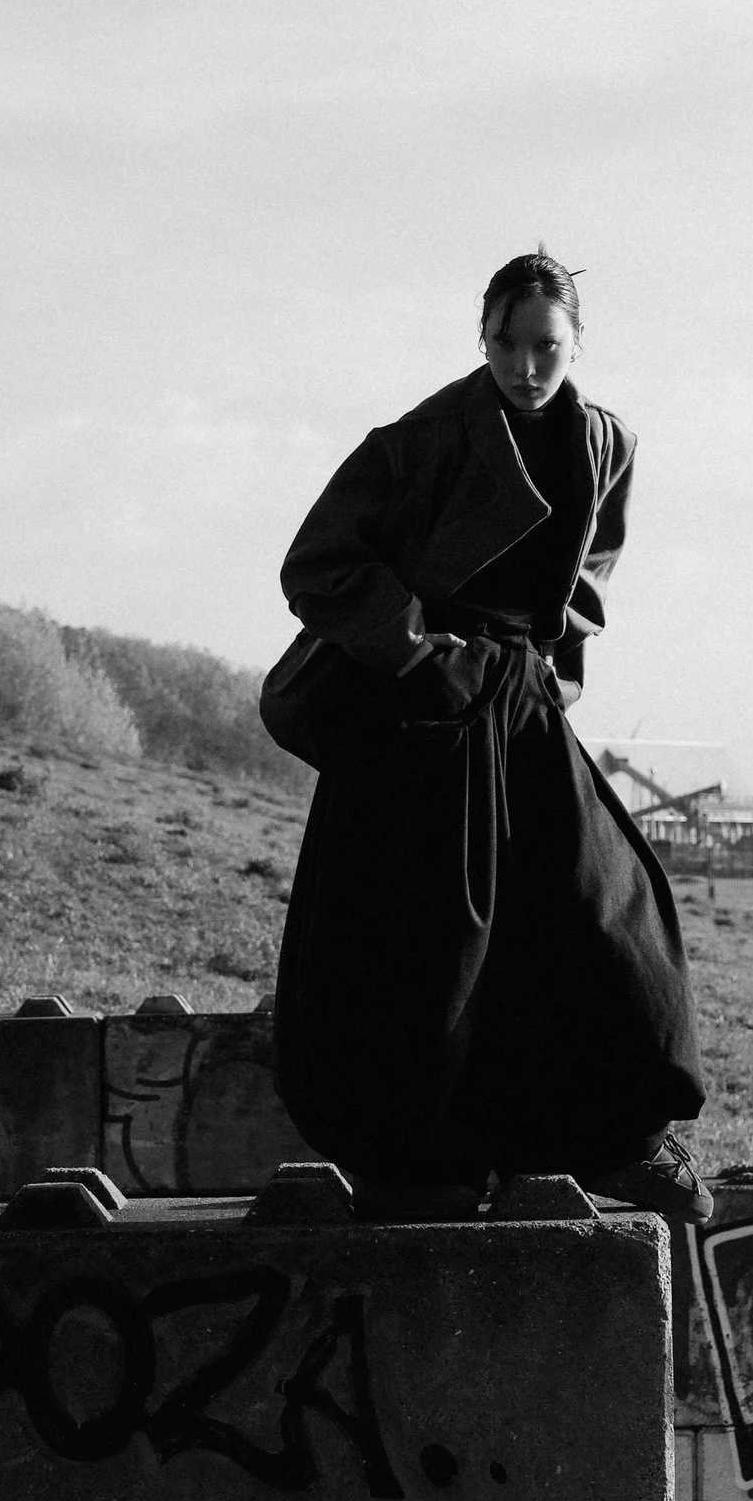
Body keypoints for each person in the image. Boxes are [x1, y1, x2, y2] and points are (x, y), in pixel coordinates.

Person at [266, 251, 711, 1223]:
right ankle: (416, 1167)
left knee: (606, 909)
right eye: (507, 343)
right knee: (419, 947)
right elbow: (318, 563)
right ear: (483, 338)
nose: (525, 364)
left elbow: (591, 565)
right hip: (416, 709)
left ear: (575, 343)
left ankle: (612, 1142)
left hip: (520, 703)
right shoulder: (421, 439)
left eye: (545, 344)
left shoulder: (604, 441)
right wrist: (424, 654)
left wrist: (554, 664)